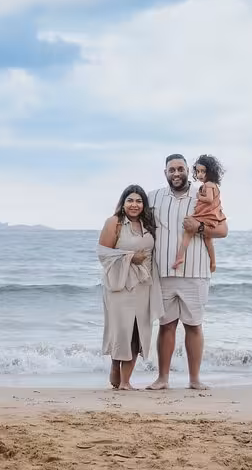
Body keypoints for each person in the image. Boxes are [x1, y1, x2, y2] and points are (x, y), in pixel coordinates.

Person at [146, 154, 228, 390]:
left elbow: (222, 230)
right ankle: (162, 379)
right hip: (163, 271)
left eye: (180, 168)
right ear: (165, 173)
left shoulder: (204, 192)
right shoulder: (154, 197)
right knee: (166, 325)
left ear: (188, 171)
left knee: (193, 325)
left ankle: (194, 380)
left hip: (196, 271)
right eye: (171, 170)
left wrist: (199, 227)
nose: (176, 173)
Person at [97, 184, 164, 390]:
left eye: (139, 201)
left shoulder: (148, 225)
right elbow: (103, 253)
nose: (134, 205)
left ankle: (126, 381)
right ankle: (115, 364)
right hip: (120, 286)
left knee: (138, 331)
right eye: (130, 200)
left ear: (144, 205)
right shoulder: (114, 222)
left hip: (144, 285)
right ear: (123, 203)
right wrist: (130, 257)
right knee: (122, 330)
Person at [172, 154, 226, 273]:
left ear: (210, 172)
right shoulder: (211, 185)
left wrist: (199, 196)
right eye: (198, 171)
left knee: (188, 233)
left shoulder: (209, 185)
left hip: (206, 216)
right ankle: (213, 261)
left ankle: (179, 257)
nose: (200, 174)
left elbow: (209, 199)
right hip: (210, 216)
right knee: (208, 240)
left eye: (203, 171)